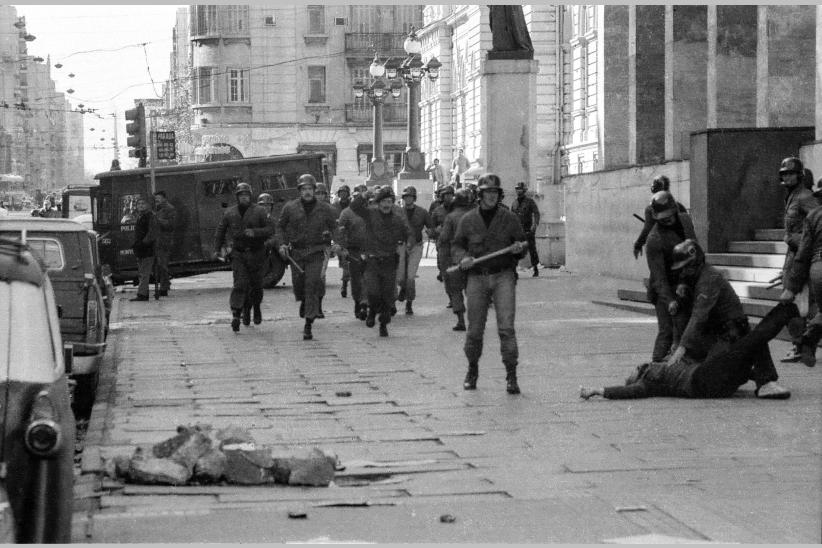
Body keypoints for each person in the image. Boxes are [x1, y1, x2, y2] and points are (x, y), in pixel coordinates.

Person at [579, 301, 796, 400]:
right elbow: (627, 392)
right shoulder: (649, 381)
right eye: (633, 373)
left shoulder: (662, 365)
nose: (635, 369)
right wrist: (599, 390)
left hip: (713, 382)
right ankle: (788, 308)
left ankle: (765, 375)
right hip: (701, 380)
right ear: (637, 378)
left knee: (748, 343)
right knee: (751, 340)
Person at [452, 173, 527, 394]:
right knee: (475, 329)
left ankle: (511, 375)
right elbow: (456, 246)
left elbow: (521, 244)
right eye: (487, 192)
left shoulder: (509, 218)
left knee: (506, 328)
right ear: (480, 194)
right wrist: (462, 257)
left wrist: (518, 249)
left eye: (495, 192)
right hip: (476, 276)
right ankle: (472, 369)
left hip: (503, 275)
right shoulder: (468, 220)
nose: (491, 196)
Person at [276, 174, 337, 340]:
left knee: (312, 284)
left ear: (314, 190)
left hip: (316, 252)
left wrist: (336, 243)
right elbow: (280, 227)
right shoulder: (290, 208)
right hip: (297, 252)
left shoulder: (325, 209)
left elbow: (335, 227)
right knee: (299, 285)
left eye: (310, 189)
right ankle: (304, 301)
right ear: (299, 191)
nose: (307, 192)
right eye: (304, 189)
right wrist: (282, 244)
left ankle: (308, 324)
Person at [777, 157, 821, 363]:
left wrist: (792, 238)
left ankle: (800, 345)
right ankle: (800, 344)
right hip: (794, 257)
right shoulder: (792, 197)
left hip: (803, 257)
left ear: (800, 175)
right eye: (784, 173)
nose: (787, 176)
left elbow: (816, 228)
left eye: (791, 173)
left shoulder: (804, 197)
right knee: (797, 305)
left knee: (796, 304)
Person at [350, 185, 409, 337]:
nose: (386, 204)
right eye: (383, 201)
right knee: (373, 291)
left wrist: (406, 242)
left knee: (387, 295)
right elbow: (355, 207)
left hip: (389, 262)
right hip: (372, 262)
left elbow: (407, 233)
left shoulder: (397, 219)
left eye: (389, 201)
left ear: (393, 203)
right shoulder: (370, 214)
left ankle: (383, 324)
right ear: (378, 202)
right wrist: (363, 195)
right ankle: (371, 312)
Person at [644, 190, 696, 362]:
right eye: (663, 218)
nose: (668, 220)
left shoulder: (685, 221)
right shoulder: (654, 240)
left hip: (686, 281)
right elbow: (659, 278)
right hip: (665, 289)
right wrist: (670, 301)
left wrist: (688, 280)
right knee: (667, 330)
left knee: (687, 329)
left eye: (670, 215)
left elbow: (694, 249)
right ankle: (655, 367)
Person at [213, 182, 273, 332]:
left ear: (250, 196)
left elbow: (270, 229)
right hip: (239, 253)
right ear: (237, 197)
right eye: (241, 195)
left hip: (256, 253)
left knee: (256, 286)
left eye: (246, 195)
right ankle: (236, 313)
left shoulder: (259, 211)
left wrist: (256, 232)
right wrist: (216, 249)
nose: (244, 198)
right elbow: (220, 231)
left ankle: (255, 307)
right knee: (240, 284)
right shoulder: (230, 213)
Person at [439, 188, 474, 331]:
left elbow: (444, 238)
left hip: (456, 258)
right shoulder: (477, 215)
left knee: (455, 289)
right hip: (475, 258)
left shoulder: (451, 217)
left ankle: (460, 320)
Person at [396, 185, 434, 316]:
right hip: (401, 245)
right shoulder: (398, 212)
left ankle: (409, 303)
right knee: (400, 277)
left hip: (416, 246)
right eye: (406, 196)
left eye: (410, 197)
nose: (408, 199)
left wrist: (431, 232)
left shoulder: (422, 212)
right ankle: (403, 287)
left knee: (410, 277)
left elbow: (431, 227)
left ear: (414, 198)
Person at [633, 175, 688, 259]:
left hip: (665, 250)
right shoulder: (679, 206)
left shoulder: (651, 209)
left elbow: (647, 229)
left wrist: (638, 245)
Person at [336, 184, 369, 321]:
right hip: (353, 250)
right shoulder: (346, 213)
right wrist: (342, 248)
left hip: (369, 250)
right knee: (356, 279)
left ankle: (364, 303)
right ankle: (357, 302)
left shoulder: (371, 211)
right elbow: (340, 232)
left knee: (367, 278)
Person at [129, 195, 157, 302]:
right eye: (139, 204)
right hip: (140, 249)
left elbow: (152, 233)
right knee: (142, 273)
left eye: (143, 204)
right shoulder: (140, 216)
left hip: (147, 249)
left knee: (144, 273)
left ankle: (142, 294)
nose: (140, 206)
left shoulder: (150, 216)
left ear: (148, 205)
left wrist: (143, 243)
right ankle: (143, 293)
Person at [511, 181, 541, 277]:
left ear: (524, 190)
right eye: (517, 189)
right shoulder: (514, 203)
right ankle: (514, 270)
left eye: (520, 189)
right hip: (517, 231)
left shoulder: (530, 201)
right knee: (515, 250)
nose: (518, 191)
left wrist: (535, 224)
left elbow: (536, 213)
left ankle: (535, 268)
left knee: (532, 250)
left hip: (527, 229)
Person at [430, 185, 455, 289]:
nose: (448, 198)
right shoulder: (437, 211)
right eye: (446, 195)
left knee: (456, 272)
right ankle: (451, 296)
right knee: (445, 271)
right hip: (443, 243)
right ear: (442, 196)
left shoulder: (459, 209)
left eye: (450, 195)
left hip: (456, 244)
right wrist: (435, 230)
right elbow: (431, 227)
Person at [152, 190, 177, 297]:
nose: (156, 200)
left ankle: (164, 288)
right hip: (158, 240)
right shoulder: (158, 208)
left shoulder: (169, 209)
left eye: (158, 198)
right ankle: (164, 285)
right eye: (155, 198)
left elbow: (171, 224)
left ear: (164, 198)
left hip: (164, 241)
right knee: (159, 265)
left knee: (162, 265)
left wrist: (157, 219)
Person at [332, 185, 352, 298]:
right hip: (339, 238)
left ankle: (344, 284)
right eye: (341, 192)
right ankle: (345, 282)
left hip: (351, 237)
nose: (343, 194)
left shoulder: (352, 206)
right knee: (344, 262)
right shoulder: (334, 206)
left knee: (346, 263)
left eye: (345, 192)